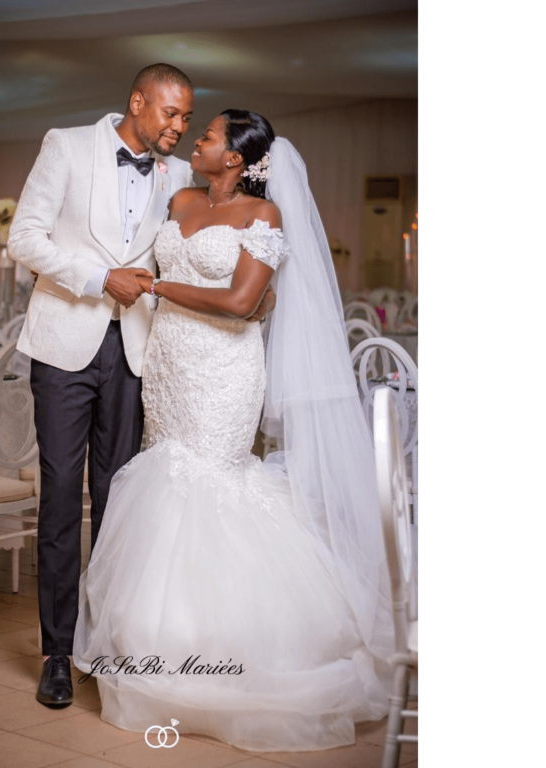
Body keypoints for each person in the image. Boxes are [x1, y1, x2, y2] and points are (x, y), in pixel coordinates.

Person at [73, 110, 396, 752]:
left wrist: (161, 286)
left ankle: (228, 646)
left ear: (237, 159)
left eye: (211, 135)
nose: (199, 139)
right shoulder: (181, 196)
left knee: (207, 482)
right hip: (167, 363)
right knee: (163, 478)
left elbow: (243, 302)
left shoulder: (262, 217)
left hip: (224, 369)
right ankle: (157, 643)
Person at [7, 66, 274, 708]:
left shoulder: (182, 177)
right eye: (171, 115)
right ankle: (58, 654)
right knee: (62, 499)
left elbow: (229, 244)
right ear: (137, 102)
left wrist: (255, 302)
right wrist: (101, 277)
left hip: (141, 353)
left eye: (188, 120)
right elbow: (24, 238)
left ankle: (113, 643)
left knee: (123, 500)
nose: (179, 129)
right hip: (64, 344)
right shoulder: (65, 146)